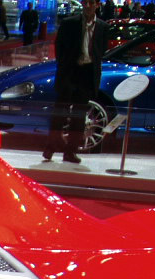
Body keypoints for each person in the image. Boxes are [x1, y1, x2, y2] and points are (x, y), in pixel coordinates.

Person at [42, 0, 106, 162]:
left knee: (79, 116)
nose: (88, 6)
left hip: (87, 74)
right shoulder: (69, 23)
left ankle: (70, 152)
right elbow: (59, 46)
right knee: (60, 112)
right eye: (86, 2)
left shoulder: (103, 27)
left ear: (97, 5)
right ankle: (50, 147)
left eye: (92, 3)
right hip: (69, 72)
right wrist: (64, 65)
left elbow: (101, 51)